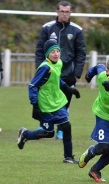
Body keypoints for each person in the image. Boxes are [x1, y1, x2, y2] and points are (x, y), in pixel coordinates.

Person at [17, 39, 81, 164]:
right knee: (48, 133)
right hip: (46, 104)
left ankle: (68, 157)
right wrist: (35, 105)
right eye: (53, 52)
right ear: (47, 54)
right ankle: (25, 134)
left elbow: (56, 79)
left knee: (66, 126)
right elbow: (33, 85)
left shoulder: (59, 63)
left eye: (58, 51)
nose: (56, 54)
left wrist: (68, 89)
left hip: (57, 102)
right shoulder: (45, 67)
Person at [35, 1, 86, 139]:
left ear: (70, 13)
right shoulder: (47, 28)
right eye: (62, 11)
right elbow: (40, 50)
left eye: (67, 11)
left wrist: (77, 74)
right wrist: (40, 70)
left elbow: (81, 53)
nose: (65, 14)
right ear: (57, 12)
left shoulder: (77, 30)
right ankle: (44, 125)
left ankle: (61, 129)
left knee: (65, 102)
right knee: (45, 100)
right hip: (48, 74)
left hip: (68, 73)